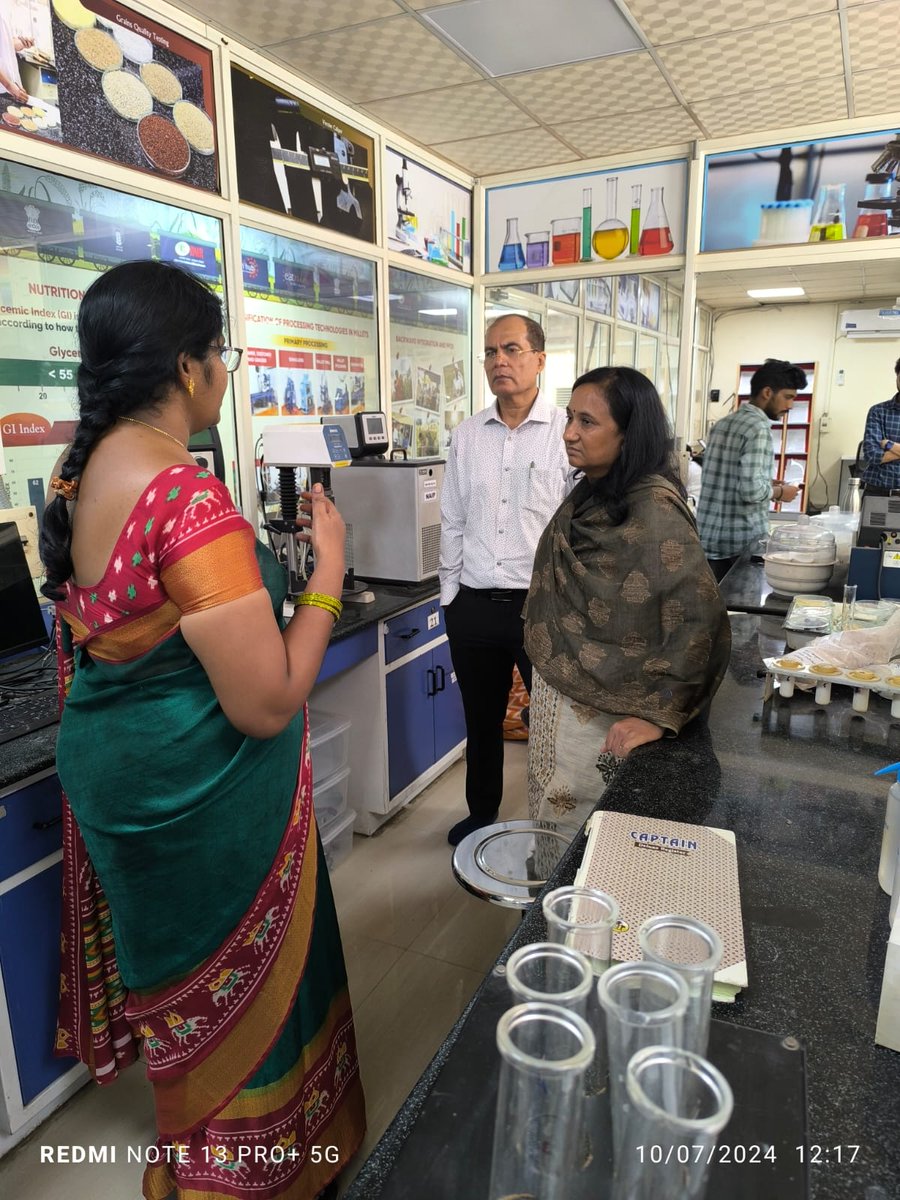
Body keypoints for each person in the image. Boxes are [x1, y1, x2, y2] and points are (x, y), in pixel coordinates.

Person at [39, 261, 365, 1200]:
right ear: (189, 369)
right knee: (240, 986)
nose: (225, 371)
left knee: (175, 989)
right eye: (220, 354)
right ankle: (257, 1169)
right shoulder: (185, 500)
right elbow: (267, 700)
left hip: (122, 780)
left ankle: (199, 1153)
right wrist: (327, 572)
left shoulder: (83, 468)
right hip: (197, 795)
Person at [524, 366, 731, 838]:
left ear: (629, 433)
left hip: (609, 719)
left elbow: (701, 623)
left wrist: (659, 714)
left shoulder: (654, 511)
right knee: (552, 821)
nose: (570, 434)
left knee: (593, 839)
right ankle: (549, 907)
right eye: (569, 419)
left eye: (588, 422)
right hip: (564, 703)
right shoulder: (593, 495)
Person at [439, 314, 570, 846]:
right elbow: (452, 518)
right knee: (481, 717)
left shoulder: (566, 432)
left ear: (539, 359)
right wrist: (450, 595)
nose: (499, 361)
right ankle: (481, 813)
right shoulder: (467, 435)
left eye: (512, 350)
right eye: (491, 352)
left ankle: (555, 822)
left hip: (540, 607)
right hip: (473, 604)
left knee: (554, 727)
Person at [696, 358, 807, 581]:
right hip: (739, 544)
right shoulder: (758, 429)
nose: (790, 405)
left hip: (707, 539)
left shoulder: (722, 424)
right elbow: (752, 492)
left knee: (712, 607)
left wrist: (767, 481)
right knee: (739, 609)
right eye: (788, 397)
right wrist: (781, 493)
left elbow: (724, 476)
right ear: (767, 392)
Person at [861, 357, 900, 493]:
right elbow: (871, 454)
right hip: (878, 490)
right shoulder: (878, 411)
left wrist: (889, 445)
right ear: (897, 377)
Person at [0, 13, 31, 102]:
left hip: (10, 87)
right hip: (4, 88)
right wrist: (8, 85)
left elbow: (5, 44)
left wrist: (20, 43)